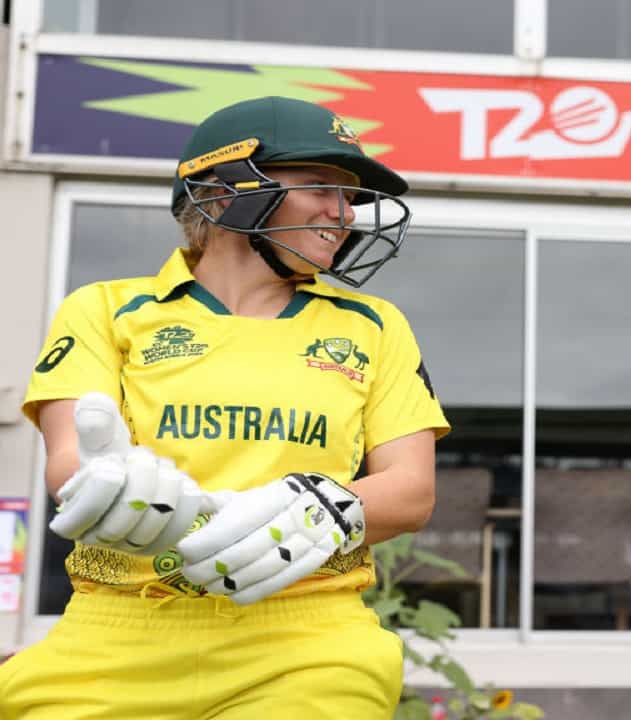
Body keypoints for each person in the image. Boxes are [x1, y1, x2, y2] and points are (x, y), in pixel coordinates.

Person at [0, 96, 449, 719]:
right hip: (116, 627)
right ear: (221, 192)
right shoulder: (106, 309)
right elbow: (70, 457)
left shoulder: (373, 325)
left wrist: (322, 510)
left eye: (349, 196)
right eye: (320, 186)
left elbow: (411, 490)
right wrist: (113, 489)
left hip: (307, 636)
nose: (344, 213)